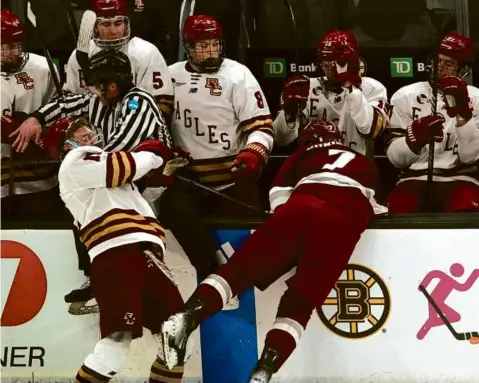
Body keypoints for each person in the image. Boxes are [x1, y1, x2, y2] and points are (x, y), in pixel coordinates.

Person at [159, 120, 387, 382]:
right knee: (300, 302)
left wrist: (286, 239)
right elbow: (379, 208)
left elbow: (278, 195)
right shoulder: (364, 161)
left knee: (237, 271)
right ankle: (264, 369)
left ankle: (186, 317)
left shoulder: (301, 155)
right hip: (341, 219)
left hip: (300, 205)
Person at [10, 48, 172, 312]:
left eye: (97, 87)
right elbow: (65, 104)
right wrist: (36, 118)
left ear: (112, 85)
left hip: (148, 182)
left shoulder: (138, 101)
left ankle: (141, 293)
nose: (92, 93)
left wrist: (82, 165)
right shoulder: (99, 100)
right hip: (117, 179)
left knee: (130, 238)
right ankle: (97, 279)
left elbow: (121, 149)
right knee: (81, 211)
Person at [42, 116, 190, 383]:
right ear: (65, 146)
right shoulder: (74, 163)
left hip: (145, 254)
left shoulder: (106, 172)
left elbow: (139, 205)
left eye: (86, 128)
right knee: (116, 345)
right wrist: (154, 153)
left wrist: (161, 175)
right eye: (76, 132)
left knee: (177, 337)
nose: (86, 133)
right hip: (115, 254)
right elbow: (132, 163)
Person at [158, 15, 274, 300]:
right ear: (188, 47)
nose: (210, 52)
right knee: (172, 204)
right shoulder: (170, 75)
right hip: (192, 179)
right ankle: (210, 269)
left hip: (234, 178)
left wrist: (254, 152)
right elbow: (155, 123)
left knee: (260, 238)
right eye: (202, 46)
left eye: (214, 44)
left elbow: (262, 127)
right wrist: (165, 150)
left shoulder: (238, 74)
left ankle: (258, 291)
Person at [385, 32, 479, 212]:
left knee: (466, 219)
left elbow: (470, 158)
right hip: (412, 178)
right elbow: (396, 160)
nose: (439, 67)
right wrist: (413, 140)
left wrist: (464, 117)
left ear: (464, 70)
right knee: (398, 212)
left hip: (461, 179)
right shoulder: (405, 95)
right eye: (438, 60)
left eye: (448, 63)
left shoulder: (477, 99)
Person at [274, 30, 391, 157]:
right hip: (312, 167)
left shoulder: (372, 88)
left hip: (356, 168)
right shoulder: (306, 88)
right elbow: (280, 140)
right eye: (325, 64)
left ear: (351, 61)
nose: (329, 70)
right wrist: (289, 115)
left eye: (335, 63)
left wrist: (351, 89)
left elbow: (372, 130)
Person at [63, 0, 175, 121]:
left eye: (118, 23)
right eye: (106, 24)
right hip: (90, 134)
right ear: (95, 27)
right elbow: (69, 102)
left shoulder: (147, 53)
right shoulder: (78, 55)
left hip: (136, 131)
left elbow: (163, 105)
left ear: (126, 24)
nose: (113, 31)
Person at [1, 8, 62, 219]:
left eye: (17, 45)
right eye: (7, 46)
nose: (14, 52)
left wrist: (39, 123)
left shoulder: (43, 67)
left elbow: (59, 109)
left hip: (37, 175)